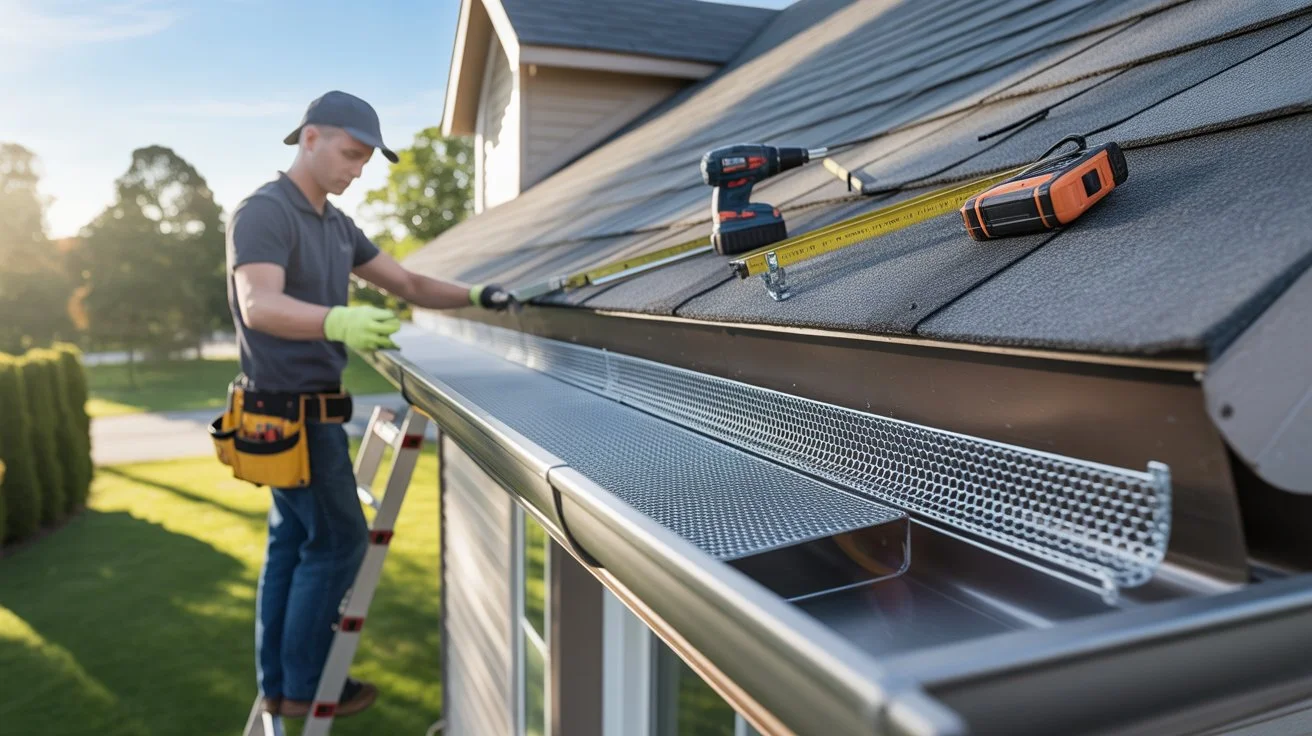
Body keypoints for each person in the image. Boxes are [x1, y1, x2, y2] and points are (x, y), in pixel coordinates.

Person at [224, 90, 511, 719]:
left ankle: (280, 683)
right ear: (309, 139)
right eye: (351, 155)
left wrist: (481, 295)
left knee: (295, 543)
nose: (357, 170)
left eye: (365, 161)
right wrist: (339, 323)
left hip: (306, 414)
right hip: (285, 415)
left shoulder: (335, 225)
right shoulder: (264, 212)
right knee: (338, 542)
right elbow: (259, 305)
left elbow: (407, 283)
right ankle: (302, 684)